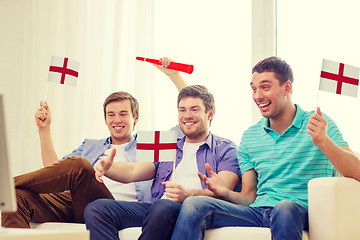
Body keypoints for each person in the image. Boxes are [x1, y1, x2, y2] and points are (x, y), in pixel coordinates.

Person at [170, 56, 360, 240]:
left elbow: (357, 172)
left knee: (284, 207)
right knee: (194, 204)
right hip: (258, 212)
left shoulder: (319, 124)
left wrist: (324, 142)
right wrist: (225, 192)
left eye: (265, 87)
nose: (258, 96)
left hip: (299, 211)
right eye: (254, 89)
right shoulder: (250, 136)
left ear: (287, 87)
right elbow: (249, 197)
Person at [84, 77, 242, 240]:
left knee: (163, 206)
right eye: (182, 110)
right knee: (97, 208)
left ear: (210, 114)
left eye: (194, 109)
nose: (187, 115)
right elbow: (132, 171)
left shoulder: (225, 148)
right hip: (157, 209)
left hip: (192, 210)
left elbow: (223, 190)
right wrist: (108, 168)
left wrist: (187, 195)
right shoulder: (168, 144)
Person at [0, 91, 156, 228]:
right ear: (105, 119)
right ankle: (7, 190)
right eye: (111, 114)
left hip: (116, 209)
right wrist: (44, 129)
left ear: (135, 118)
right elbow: (54, 171)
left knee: (80, 165)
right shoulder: (91, 145)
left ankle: (4, 186)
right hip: (76, 204)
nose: (116, 119)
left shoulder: (149, 146)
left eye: (123, 114)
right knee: (15, 198)